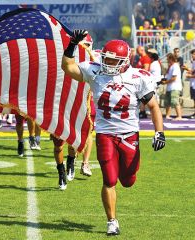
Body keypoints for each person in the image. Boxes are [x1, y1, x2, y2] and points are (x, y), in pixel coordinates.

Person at [62, 30, 165, 235]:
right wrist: (72, 44)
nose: (108, 62)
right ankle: (112, 221)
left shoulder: (138, 77)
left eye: (113, 59)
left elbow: (153, 106)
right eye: (106, 58)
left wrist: (159, 132)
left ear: (125, 61)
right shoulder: (95, 70)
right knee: (109, 180)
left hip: (129, 134)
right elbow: (68, 67)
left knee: (127, 181)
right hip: (105, 134)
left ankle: (127, 178)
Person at [162, 53, 183, 120]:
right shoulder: (171, 66)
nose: (167, 60)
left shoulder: (175, 66)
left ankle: (179, 116)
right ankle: (168, 115)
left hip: (175, 87)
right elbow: (168, 76)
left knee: (175, 101)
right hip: (170, 87)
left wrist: (165, 82)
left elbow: (174, 78)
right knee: (167, 102)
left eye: (168, 59)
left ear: (171, 59)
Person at [184, 49, 195, 118]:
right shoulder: (193, 62)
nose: (192, 56)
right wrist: (187, 69)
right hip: (193, 84)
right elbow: (193, 72)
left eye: (193, 54)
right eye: (192, 54)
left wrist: (189, 76)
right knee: (194, 99)